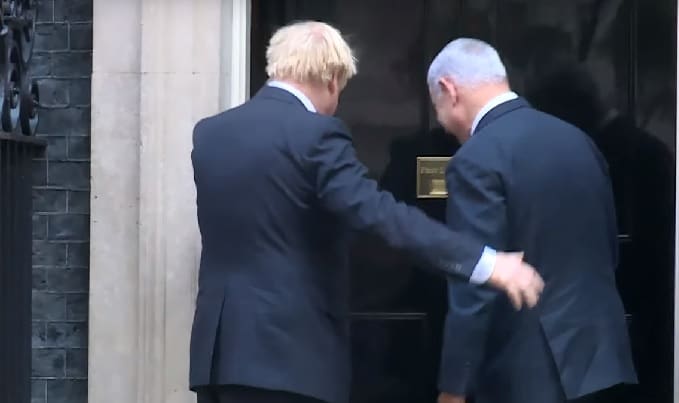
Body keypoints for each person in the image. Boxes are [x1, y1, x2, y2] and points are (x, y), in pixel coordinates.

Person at [188, 22, 544, 403]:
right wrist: (486, 264)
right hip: (290, 360)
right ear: (332, 79)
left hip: (219, 358)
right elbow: (377, 214)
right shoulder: (316, 135)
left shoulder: (211, 134)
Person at [428, 38, 637, 403]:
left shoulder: (475, 158)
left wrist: (454, 387)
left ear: (449, 90)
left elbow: (475, 283)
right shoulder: (579, 141)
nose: (443, 125)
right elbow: (607, 245)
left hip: (528, 372)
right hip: (601, 360)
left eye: (438, 109)